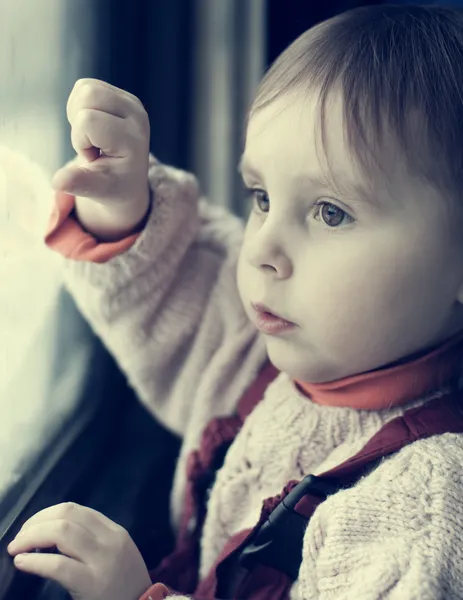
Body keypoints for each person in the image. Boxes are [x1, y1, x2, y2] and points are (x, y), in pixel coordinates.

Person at [7, 3, 463, 599]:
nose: (264, 250)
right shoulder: (274, 353)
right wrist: (123, 208)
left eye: (331, 212)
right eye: (262, 197)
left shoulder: (425, 508)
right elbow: (186, 296)